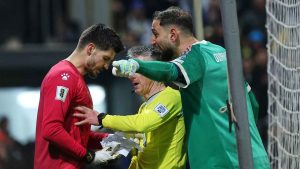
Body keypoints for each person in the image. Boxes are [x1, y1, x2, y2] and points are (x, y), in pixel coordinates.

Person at [111, 7, 270, 169]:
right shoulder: (220, 52)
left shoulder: (196, 55)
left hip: (222, 162)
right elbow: (253, 104)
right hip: (254, 156)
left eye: (156, 34)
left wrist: (136, 65)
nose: (153, 41)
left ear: (173, 35)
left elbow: (171, 71)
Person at [74, 45, 187, 169]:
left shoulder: (172, 97)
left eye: (139, 70)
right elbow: (139, 142)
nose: (131, 76)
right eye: (131, 71)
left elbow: (142, 123)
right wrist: (116, 148)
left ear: (154, 71)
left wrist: (102, 118)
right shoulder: (145, 107)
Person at [34, 23, 124, 169]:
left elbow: (78, 136)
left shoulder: (75, 78)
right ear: (90, 49)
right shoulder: (63, 76)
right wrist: (89, 156)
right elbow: (51, 129)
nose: (107, 66)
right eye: (106, 58)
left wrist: (110, 140)